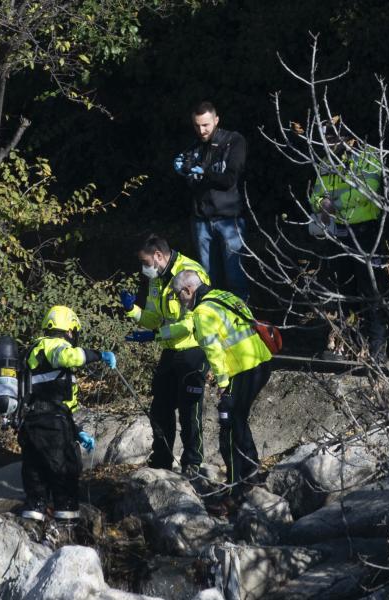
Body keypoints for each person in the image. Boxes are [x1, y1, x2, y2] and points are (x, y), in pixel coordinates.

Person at [171, 270, 272, 507]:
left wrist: (223, 385)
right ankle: (252, 473)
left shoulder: (202, 312)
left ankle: (235, 491)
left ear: (188, 290)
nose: (179, 301)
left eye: (178, 296)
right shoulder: (224, 296)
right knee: (239, 419)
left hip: (241, 370)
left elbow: (214, 351)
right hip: (262, 362)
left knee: (228, 427)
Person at [18, 305, 116, 524]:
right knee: (65, 475)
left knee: (36, 479)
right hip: (52, 426)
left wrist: (77, 431)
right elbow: (69, 357)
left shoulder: (34, 349)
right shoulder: (56, 346)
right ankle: (66, 529)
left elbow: (51, 399)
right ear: (70, 330)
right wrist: (99, 355)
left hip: (33, 424)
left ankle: (32, 526)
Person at [121, 235, 210, 474]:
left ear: (159, 256)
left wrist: (156, 335)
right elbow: (153, 319)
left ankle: (192, 462)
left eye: (146, 262)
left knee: (190, 409)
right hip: (170, 348)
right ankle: (162, 459)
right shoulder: (156, 280)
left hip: (193, 348)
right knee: (160, 407)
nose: (144, 268)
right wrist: (132, 310)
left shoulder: (191, 274)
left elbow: (193, 323)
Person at [309, 121, 386, 360]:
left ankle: (376, 348)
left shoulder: (368, 157)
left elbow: (368, 190)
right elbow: (315, 196)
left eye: (333, 138)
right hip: (338, 232)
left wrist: (334, 204)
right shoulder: (325, 162)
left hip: (365, 232)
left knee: (370, 290)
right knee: (342, 290)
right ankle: (347, 345)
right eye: (325, 139)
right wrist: (322, 203)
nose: (329, 144)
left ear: (345, 136)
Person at [174, 100, 249, 300]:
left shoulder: (233, 141)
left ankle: (241, 323)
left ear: (216, 120)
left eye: (206, 124)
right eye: (197, 125)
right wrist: (185, 171)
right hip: (202, 221)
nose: (202, 130)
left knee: (236, 278)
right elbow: (193, 185)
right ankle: (213, 321)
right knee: (208, 279)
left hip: (229, 220)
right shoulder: (194, 148)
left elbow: (230, 178)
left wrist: (204, 172)